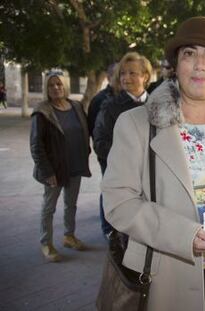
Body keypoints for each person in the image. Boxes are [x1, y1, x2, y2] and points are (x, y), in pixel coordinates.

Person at [101, 16, 205, 311]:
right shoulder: (135, 123)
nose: (200, 65)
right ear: (175, 65)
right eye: (189, 54)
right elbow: (118, 202)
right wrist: (185, 235)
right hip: (165, 273)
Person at [30, 72, 91, 262]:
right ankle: (46, 243)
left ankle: (69, 236)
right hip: (54, 170)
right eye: (51, 85)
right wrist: (47, 171)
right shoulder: (42, 112)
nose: (56, 88)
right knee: (49, 208)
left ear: (65, 86)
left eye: (59, 84)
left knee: (71, 204)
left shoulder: (76, 106)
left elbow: (85, 130)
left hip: (76, 164)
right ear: (46, 89)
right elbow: (36, 145)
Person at [93, 52, 152, 239]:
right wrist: (129, 157)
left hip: (153, 174)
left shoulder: (158, 105)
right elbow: (100, 143)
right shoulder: (110, 106)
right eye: (123, 73)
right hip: (123, 175)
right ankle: (110, 234)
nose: (126, 78)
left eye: (132, 73)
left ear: (145, 76)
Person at [87, 63, 116, 239]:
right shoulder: (100, 99)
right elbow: (93, 128)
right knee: (108, 188)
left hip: (123, 155)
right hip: (106, 154)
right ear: (109, 77)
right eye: (118, 74)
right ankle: (107, 228)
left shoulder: (122, 97)